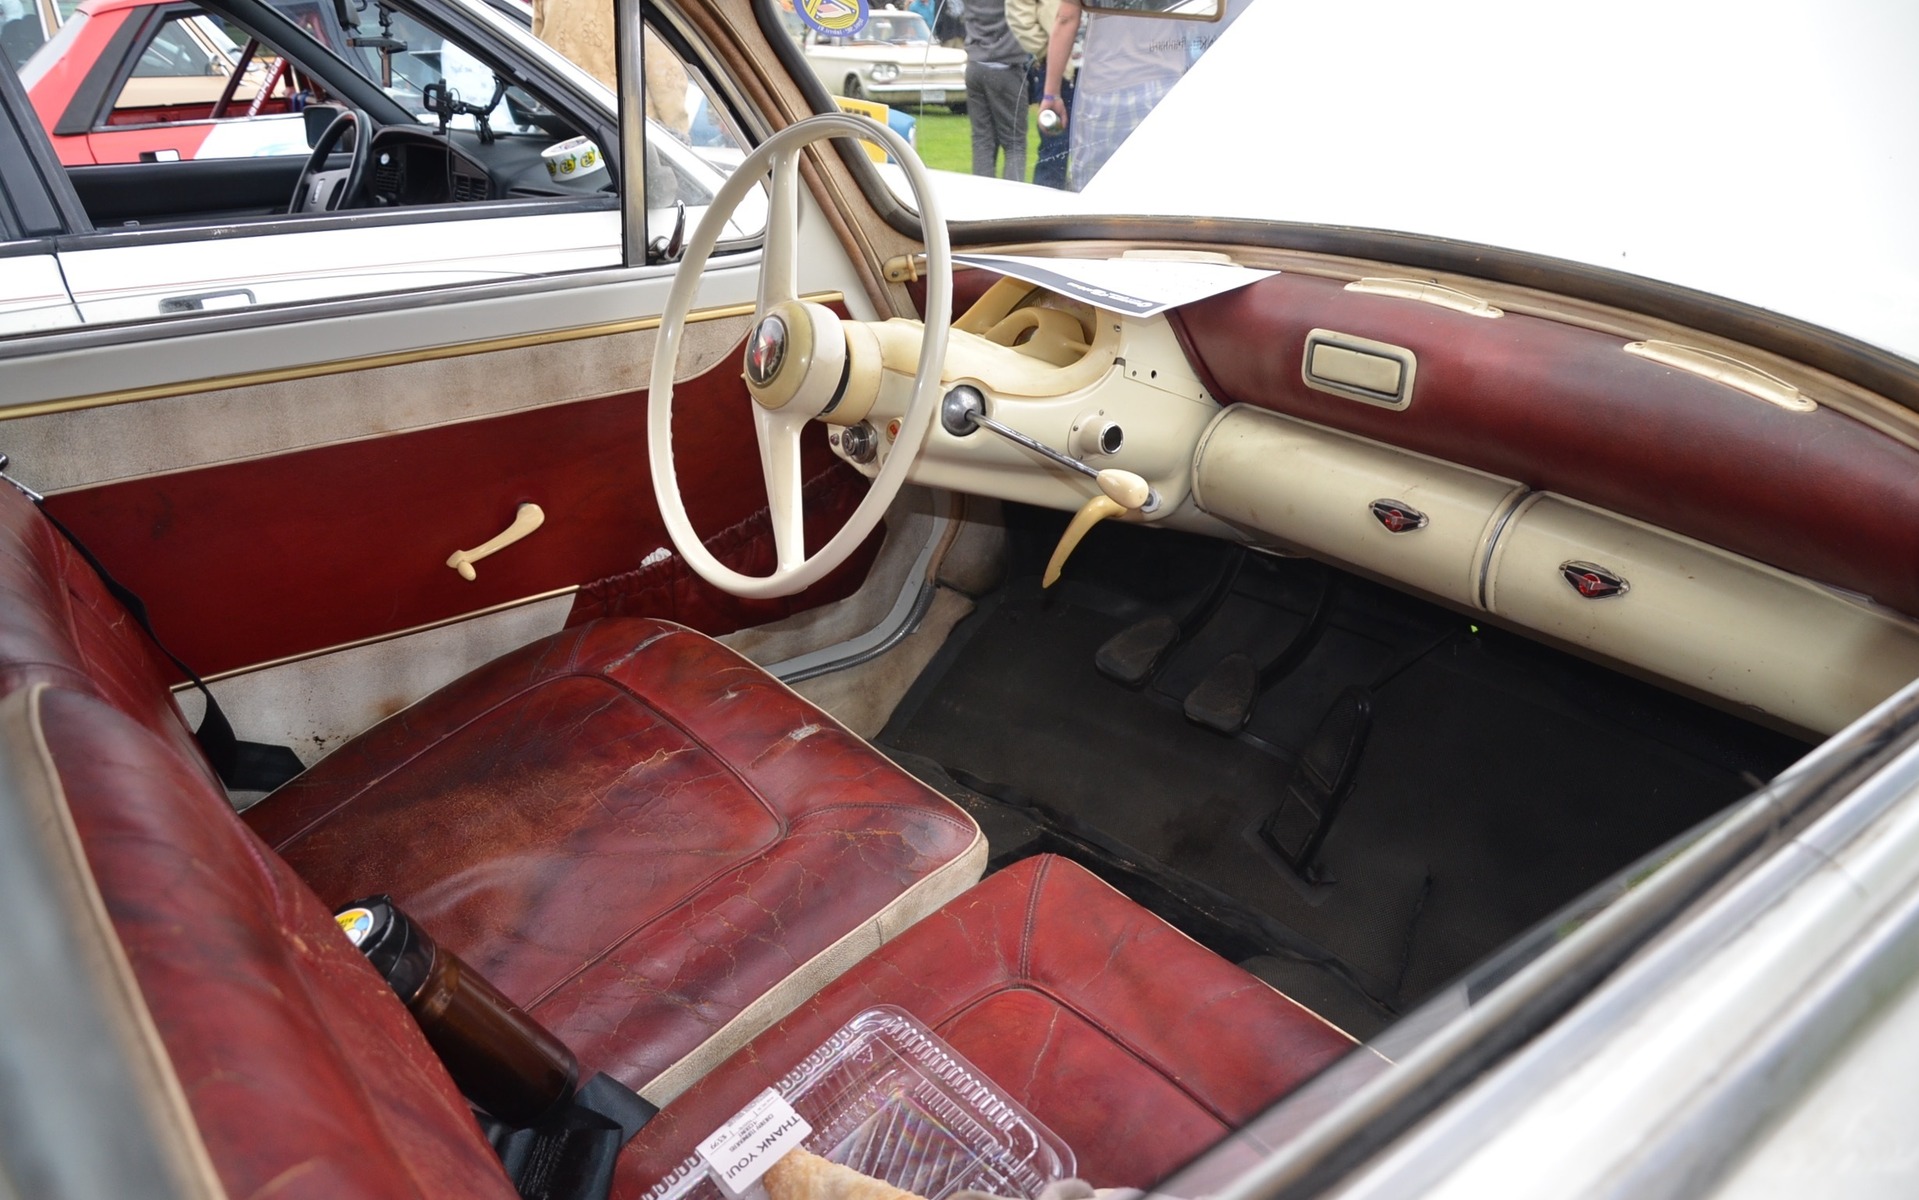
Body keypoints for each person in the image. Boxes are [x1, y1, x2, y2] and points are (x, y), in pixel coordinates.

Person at [1039, 0, 1187, 190]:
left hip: (1104, 90)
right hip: (1161, 84)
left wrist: (1051, 95)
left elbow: (1066, 19)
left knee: (1092, 188)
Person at [961, 0, 1029, 181]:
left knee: (982, 140)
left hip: (975, 65)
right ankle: (1013, 198)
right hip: (1006, 67)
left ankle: (982, 195)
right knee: (1014, 143)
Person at [1006, 0, 1070, 188]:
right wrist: (1051, 52)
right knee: (1054, 153)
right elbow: (1019, 14)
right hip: (1058, 73)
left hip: (1106, 68)